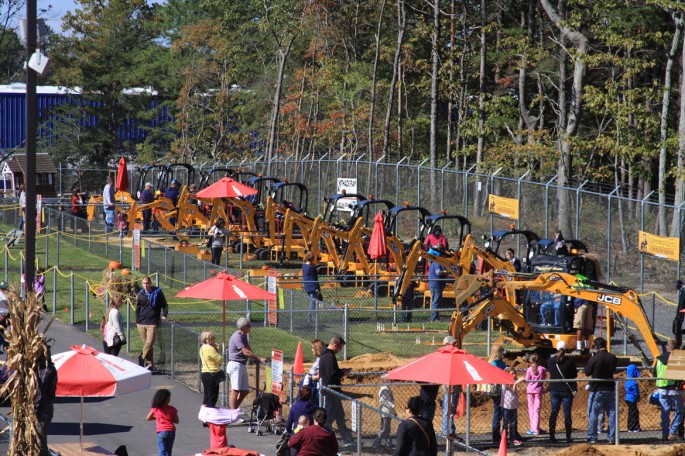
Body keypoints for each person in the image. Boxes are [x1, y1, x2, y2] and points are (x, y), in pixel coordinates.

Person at [319, 335, 354, 447]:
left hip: (332, 391)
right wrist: (342, 373)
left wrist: (340, 371)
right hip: (331, 391)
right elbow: (331, 375)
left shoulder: (327, 354)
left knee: (339, 416)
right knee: (330, 417)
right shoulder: (329, 356)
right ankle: (323, 439)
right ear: (335, 345)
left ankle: (347, 439)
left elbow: (332, 371)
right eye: (340, 347)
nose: (340, 350)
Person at [227, 317, 267, 410]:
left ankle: (234, 411)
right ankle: (233, 414)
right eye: (249, 325)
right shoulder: (237, 336)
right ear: (243, 327)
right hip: (236, 365)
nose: (250, 327)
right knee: (235, 391)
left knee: (245, 390)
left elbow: (248, 349)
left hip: (241, 364)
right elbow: (246, 352)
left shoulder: (243, 336)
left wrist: (256, 357)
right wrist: (259, 358)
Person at [584, 337, 617, 444]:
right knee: (612, 413)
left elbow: (587, 372)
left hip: (597, 389)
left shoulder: (594, 358)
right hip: (610, 389)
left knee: (594, 413)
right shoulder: (612, 357)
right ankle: (612, 437)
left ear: (595, 346)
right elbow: (614, 369)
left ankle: (592, 436)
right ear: (605, 344)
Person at [135, 276, 168, 371]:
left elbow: (165, 305)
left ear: (150, 283)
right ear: (142, 284)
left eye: (147, 283)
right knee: (147, 344)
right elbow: (137, 308)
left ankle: (141, 357)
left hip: (152, 323)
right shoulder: (141, 294)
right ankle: (149, 364)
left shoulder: (157, 292)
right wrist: (137, 320)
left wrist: (164, 315)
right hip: (141, 323)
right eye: (144, 283)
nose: (146, 285)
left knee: (149, 343)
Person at [654, 339, 685, 441]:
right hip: (674, 389)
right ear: (676, 349)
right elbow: (680, 374)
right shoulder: (677, 359)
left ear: (667, 347)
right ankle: (672, 431)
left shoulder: (659, 359)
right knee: (680, 411)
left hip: (662, 389)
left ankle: (664, 434)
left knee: (665, 412)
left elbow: (655, 373)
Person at [547, 340, 577, 443]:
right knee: (567, 414)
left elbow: (550, 370)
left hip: (554, 389)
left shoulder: (550, 361)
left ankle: (551, 436)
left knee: (554, 413)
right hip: (566, 391)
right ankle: (568, 437)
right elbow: (574, 375)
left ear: (556, 348)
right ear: (566, 349)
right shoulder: (570, 362)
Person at [35, 342, 57, 456]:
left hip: (42, 409)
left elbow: (40, 394)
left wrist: (34, 411)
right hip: (46, 407)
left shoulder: (46, 370)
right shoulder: (49, 368)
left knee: (40, 442)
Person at [146, 388, 178, 456]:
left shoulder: (155, 408)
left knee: (162, 451)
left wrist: (156, 417)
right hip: (171, 431)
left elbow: (148, 418)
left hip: (161, 431)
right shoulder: (172, 409)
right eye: (169, 398)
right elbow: (177, 421)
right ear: (166, 399)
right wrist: (169, 418)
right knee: (168, 451)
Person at [199, 330, 224, 408]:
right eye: (212, 338)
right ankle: (210, 414)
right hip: (212, 374)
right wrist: (216, 349)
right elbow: (220, 359)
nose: (214, 340)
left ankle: (204, 412)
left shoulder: (202, 348)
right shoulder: (210, 348)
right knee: (213, 396)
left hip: (205, 373)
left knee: (207, 395)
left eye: (214, 338)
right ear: (207, 339)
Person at [501, 367, 524, 446]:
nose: (513, 375)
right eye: (511, 374)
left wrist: (515, 383)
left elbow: (523, 378)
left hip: (513, 406)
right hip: (506, 406)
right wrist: (512, 384)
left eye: (514, 373)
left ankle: (513, 439)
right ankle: (504, 439)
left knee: (513, 423)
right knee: (505, 423)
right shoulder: (505, 381)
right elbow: (508, 386)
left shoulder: (515, 381)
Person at [488, 344, 507, 443]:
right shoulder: (494, 364)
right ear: (498, 352)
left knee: (502, 413)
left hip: (502, 390)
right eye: (501, 351)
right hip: (497, 391)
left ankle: (502, 435)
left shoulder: (499, 362)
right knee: (498, 413)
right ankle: (496, 436)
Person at [525, 353, 546, 435]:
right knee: (537, 409)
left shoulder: (529, 369)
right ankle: (536, 427)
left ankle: (534, 428)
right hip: (538, 390)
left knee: (531, 410)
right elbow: (543, 379)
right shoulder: (542, 369)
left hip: (530, 391)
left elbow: (527, 379)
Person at [374, 374, 396, 448]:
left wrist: (393, 411)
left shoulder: (387, 388)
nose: (392, 381)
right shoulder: (384, 389)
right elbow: (383, 400)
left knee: (387, 429)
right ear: (386, 380)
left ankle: (388, 443)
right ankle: (376, 442)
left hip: (388, 412)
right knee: (384, 429)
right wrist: (391, 406)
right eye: (391, 379)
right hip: (385, 412)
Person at [428, 243, 448, 322]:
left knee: (435, 301)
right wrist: (445, 272)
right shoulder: (437, 263)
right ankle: (434, 318)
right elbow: (438, 272)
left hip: (434, 284)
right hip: (436, 285)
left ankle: (436, 317)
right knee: (436, 301)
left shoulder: (433, 263)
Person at [302, 252, 322, 322]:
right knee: (313, 302)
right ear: (312, 259)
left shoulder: (304, 266)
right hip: (312, 286)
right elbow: (315, 278)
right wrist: (318, 289)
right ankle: (310, 318)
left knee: (313, 301)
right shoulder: (311, 267)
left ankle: (314, 318)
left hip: (306, 285)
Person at [303, 339, 324, 404]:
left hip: (318, 389)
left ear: (316, 348)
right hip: (315, 388)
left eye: (312, 347)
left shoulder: (321, 360)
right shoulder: (319, 359)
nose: (311, 349)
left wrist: (314, 377)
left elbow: (324, 373)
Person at [624, 363, 641, 433]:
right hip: (633, 399)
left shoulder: (627, 381)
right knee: (634, 413)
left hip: (628, 398)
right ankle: (634, 427)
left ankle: (630, 426)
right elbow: (636, 392)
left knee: (631, 412)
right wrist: (638, 397)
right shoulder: (634, 383)